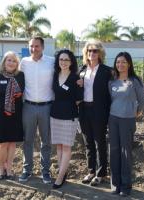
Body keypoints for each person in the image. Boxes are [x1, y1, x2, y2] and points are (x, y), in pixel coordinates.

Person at [108, 52, 144, 197]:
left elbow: (142, 100)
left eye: (123, 62)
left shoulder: (135, 81)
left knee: (125, 153)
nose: (120, 65)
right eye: (118, 62)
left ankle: (126, 186)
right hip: (113, 119)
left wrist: (136, 113)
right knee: (114, 151)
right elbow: (111, 99)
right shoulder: (112, 81)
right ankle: (115, 184)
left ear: (129, 64)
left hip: (127, 120)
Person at [19, 36, 55, 184]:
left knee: (46, 141)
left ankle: (45, 172)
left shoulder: (51, 62)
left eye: (37, 46)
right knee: (27, 140)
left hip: (47, 107)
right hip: (28, 106)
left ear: (43, 47)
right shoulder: (24, 62)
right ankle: (27, 170)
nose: (33, 49)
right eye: (31, 46)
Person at [78, 40, 112, 186]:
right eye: (89, 51)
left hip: (99, 111)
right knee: (88, 143)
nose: (92, 53)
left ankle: (101, 173)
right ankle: (91, 171)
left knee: (100, 142)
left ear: (100, 53)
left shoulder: (106, 71)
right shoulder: (82, 70)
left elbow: (110, 94)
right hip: (84, 110)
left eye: (95, 51)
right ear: (86, 53)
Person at [0, 51, 25, 180]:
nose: (11, 62)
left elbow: (22, 94)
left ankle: (9, 168)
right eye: (9, 60)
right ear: (4, 61)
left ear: (17, 64)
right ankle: (1, 169)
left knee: (12, 143)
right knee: (2, 143)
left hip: (16, 114)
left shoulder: (20, 76)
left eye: (14, 61)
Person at [50, 49, 83, 189]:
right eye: (61, 59)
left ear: (71, 62)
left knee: (67, 146)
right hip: (55, 114)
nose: (63, 62)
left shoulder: (76, 78)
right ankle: (63, 173)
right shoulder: (54, 75)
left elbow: (79, 98)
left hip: (69, 116)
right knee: (58, 145)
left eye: (66, 60)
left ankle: (59, 177)